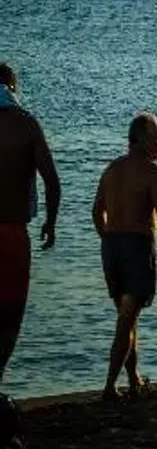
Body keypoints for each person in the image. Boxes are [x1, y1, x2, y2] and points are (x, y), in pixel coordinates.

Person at [92, 113, 157, 401]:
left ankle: (133, 378)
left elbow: (96, 211)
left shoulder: (110, 169)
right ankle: (110, 385)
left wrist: (108, 238)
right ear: (145, 140)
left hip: (111, 247)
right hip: (136, 246)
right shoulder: (151, 172)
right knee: (126, 319)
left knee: (127, 316)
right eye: (156, 137)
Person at [0, 64, 60, 386]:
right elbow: (52, 181)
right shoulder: (26, 125)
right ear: (12, 87)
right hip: (11, 236)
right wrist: (50, 223)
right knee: (8, 318)